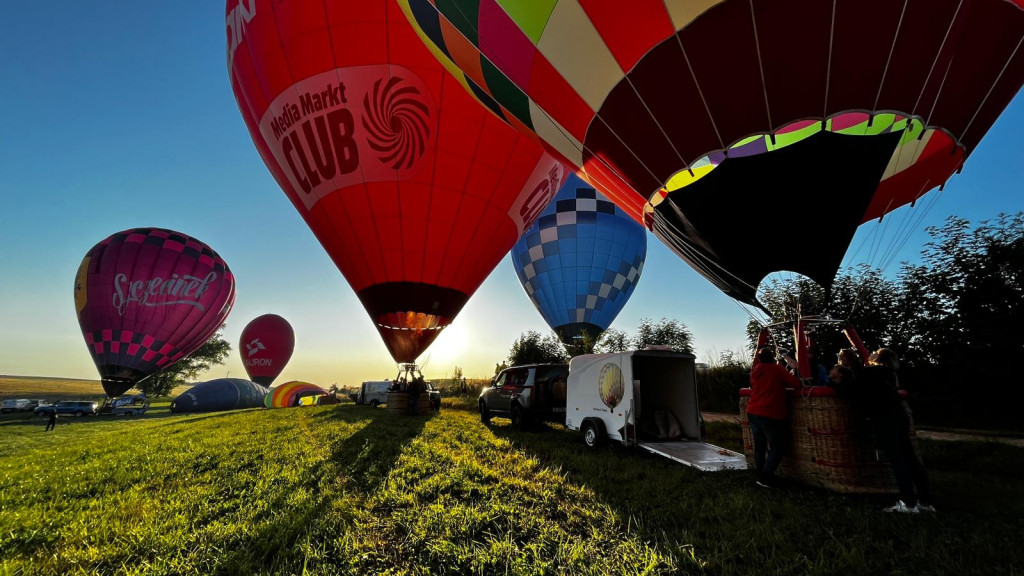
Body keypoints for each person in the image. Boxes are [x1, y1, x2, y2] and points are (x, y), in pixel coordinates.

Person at [844, 347, 935, 513]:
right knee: (910, 458)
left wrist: (850, 356)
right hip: (899, 415)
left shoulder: (873, 372)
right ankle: (926, 501)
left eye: (876, 352)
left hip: (883, 417)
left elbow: (855, 380)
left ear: (879, 357)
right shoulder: (889, 373)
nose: (871, 352)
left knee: (897, 459)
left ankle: (908, 503)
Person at [747, 346, 802, 488]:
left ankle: (760, 474)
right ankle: (764, 478)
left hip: (753, 411)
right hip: (769, 412)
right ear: (772, 357)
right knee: (778, 445)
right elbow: (796, 383)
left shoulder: (755, 371)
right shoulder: (776, 369)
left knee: (760, 445)